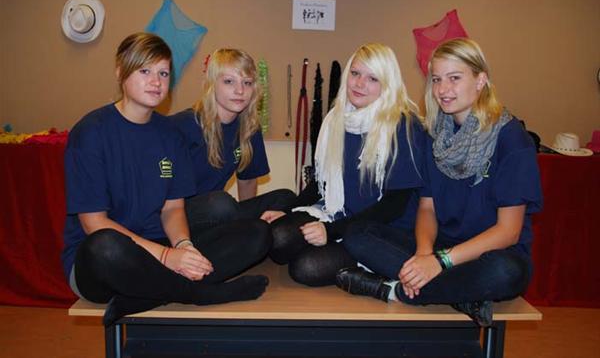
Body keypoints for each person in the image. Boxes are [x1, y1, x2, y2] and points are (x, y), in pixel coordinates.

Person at [61, 33, 269, 326]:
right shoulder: (91, 132)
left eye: (163, 73)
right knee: (105, 245)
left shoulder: (170, 133)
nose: (156, 82)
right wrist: (166, 257)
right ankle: (200, 294)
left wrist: (183, 245)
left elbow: (173, 208)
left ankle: (146, 297)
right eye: (144, 71)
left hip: (158, 245)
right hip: (104, 261)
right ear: (120, 73)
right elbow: (94, 223)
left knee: (257, 233)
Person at [336, 38, 542, 327]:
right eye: (436, 80)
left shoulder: (511, 139)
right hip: (440, 247)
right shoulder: (435, 134)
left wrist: (440, 262)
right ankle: (461, 296)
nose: (443, 90)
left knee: (506, 272)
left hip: (489, 254)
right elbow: (427, 208)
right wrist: (424, 255)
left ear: (480, 80)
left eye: (454, 78)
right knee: (358, 233)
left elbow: (508, 232)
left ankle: (394, 292)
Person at [262, 43, 426, 287]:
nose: (359, 84)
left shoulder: (403, 125)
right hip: (337, 213)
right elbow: (321, 183)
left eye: (372, 78)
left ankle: (377, 271)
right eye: (355, 73)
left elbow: (394, 207)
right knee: (277, 239)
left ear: (387, 84)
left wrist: (331, 232)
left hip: (379, 229)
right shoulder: (335, 119)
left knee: (306, 268)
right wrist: (288, 210)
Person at [169, 48, 295, 229]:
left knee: (286, 198)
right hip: (179, 215)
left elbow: (248, 180)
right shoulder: (181, 126)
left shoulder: (250, 128)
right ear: (212, 84)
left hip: (218, 210)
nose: (240, 90)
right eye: (229, 81)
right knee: (221, 203)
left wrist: (247, 224)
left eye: (247, 83)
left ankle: (243, 233)